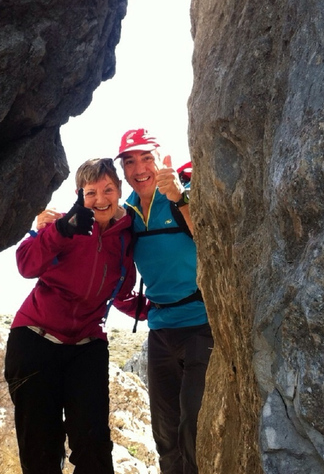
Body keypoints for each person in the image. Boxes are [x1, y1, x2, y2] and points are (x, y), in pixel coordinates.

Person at [4, 158, 137, 474]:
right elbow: (26, 265)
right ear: (80, 194)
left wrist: (152, 309)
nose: (101, 200)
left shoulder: (127, 234)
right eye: (91, 192)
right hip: (35, 341)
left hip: (87, 347)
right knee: (41, 452)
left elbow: (122, 290)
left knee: (94, 449)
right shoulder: (61, 225)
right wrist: (59, 230)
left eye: (108, 190)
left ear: (119, 191)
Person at [115, 128, 213, 474]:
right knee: (165, 434)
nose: (139, 169)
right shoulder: (124, 211)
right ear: (123, 170)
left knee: (193, 425)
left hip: (201, 324)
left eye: (146, 158)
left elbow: (210, 237)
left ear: (159, 160)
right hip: (160, 330)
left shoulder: (180, 195)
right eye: (130, 161)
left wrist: (181, 199)